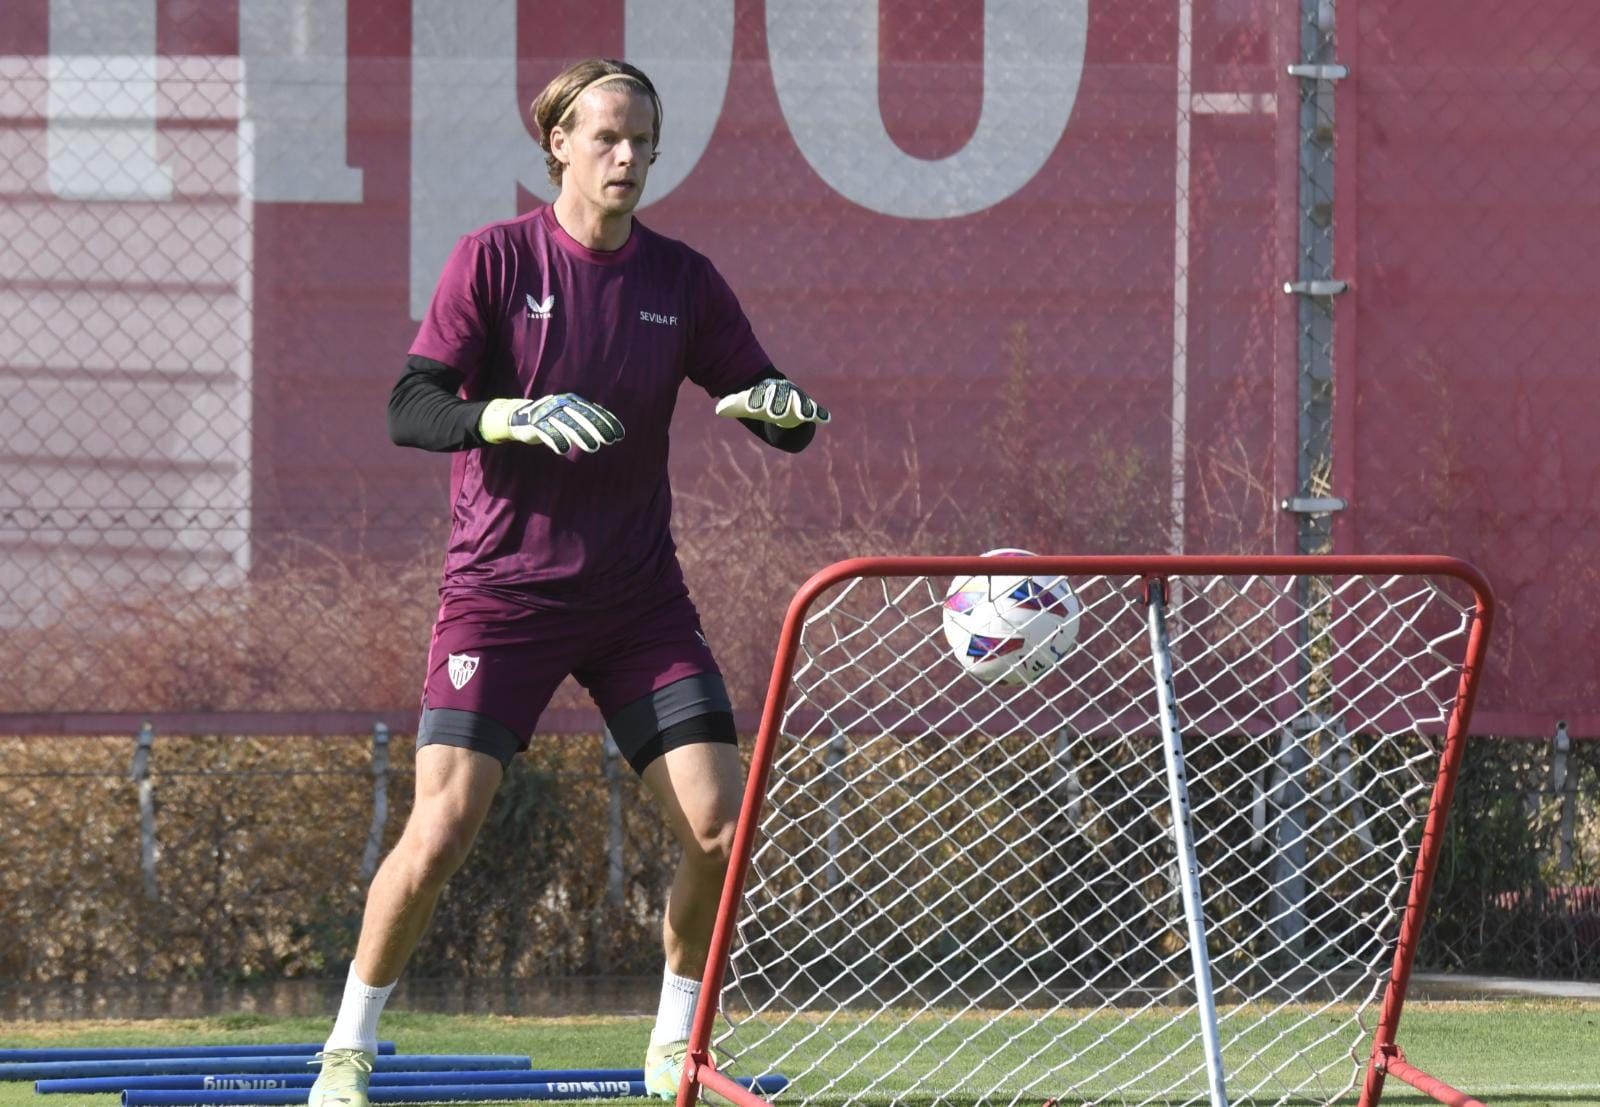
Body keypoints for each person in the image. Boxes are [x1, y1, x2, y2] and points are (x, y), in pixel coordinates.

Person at [306, 57, 830, 1107]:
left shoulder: (681, 279)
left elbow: (774, 411)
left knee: (721, 825)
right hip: (501, 598)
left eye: (643, 138)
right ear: (558, 144)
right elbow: (410, 406)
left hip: (639, 604)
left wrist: (786, 411)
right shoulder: (493, 261)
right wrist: (500, 414)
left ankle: (674, 1046)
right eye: (606, 137)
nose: (629, 155)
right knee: (444, 827)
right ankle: (347, 1053)